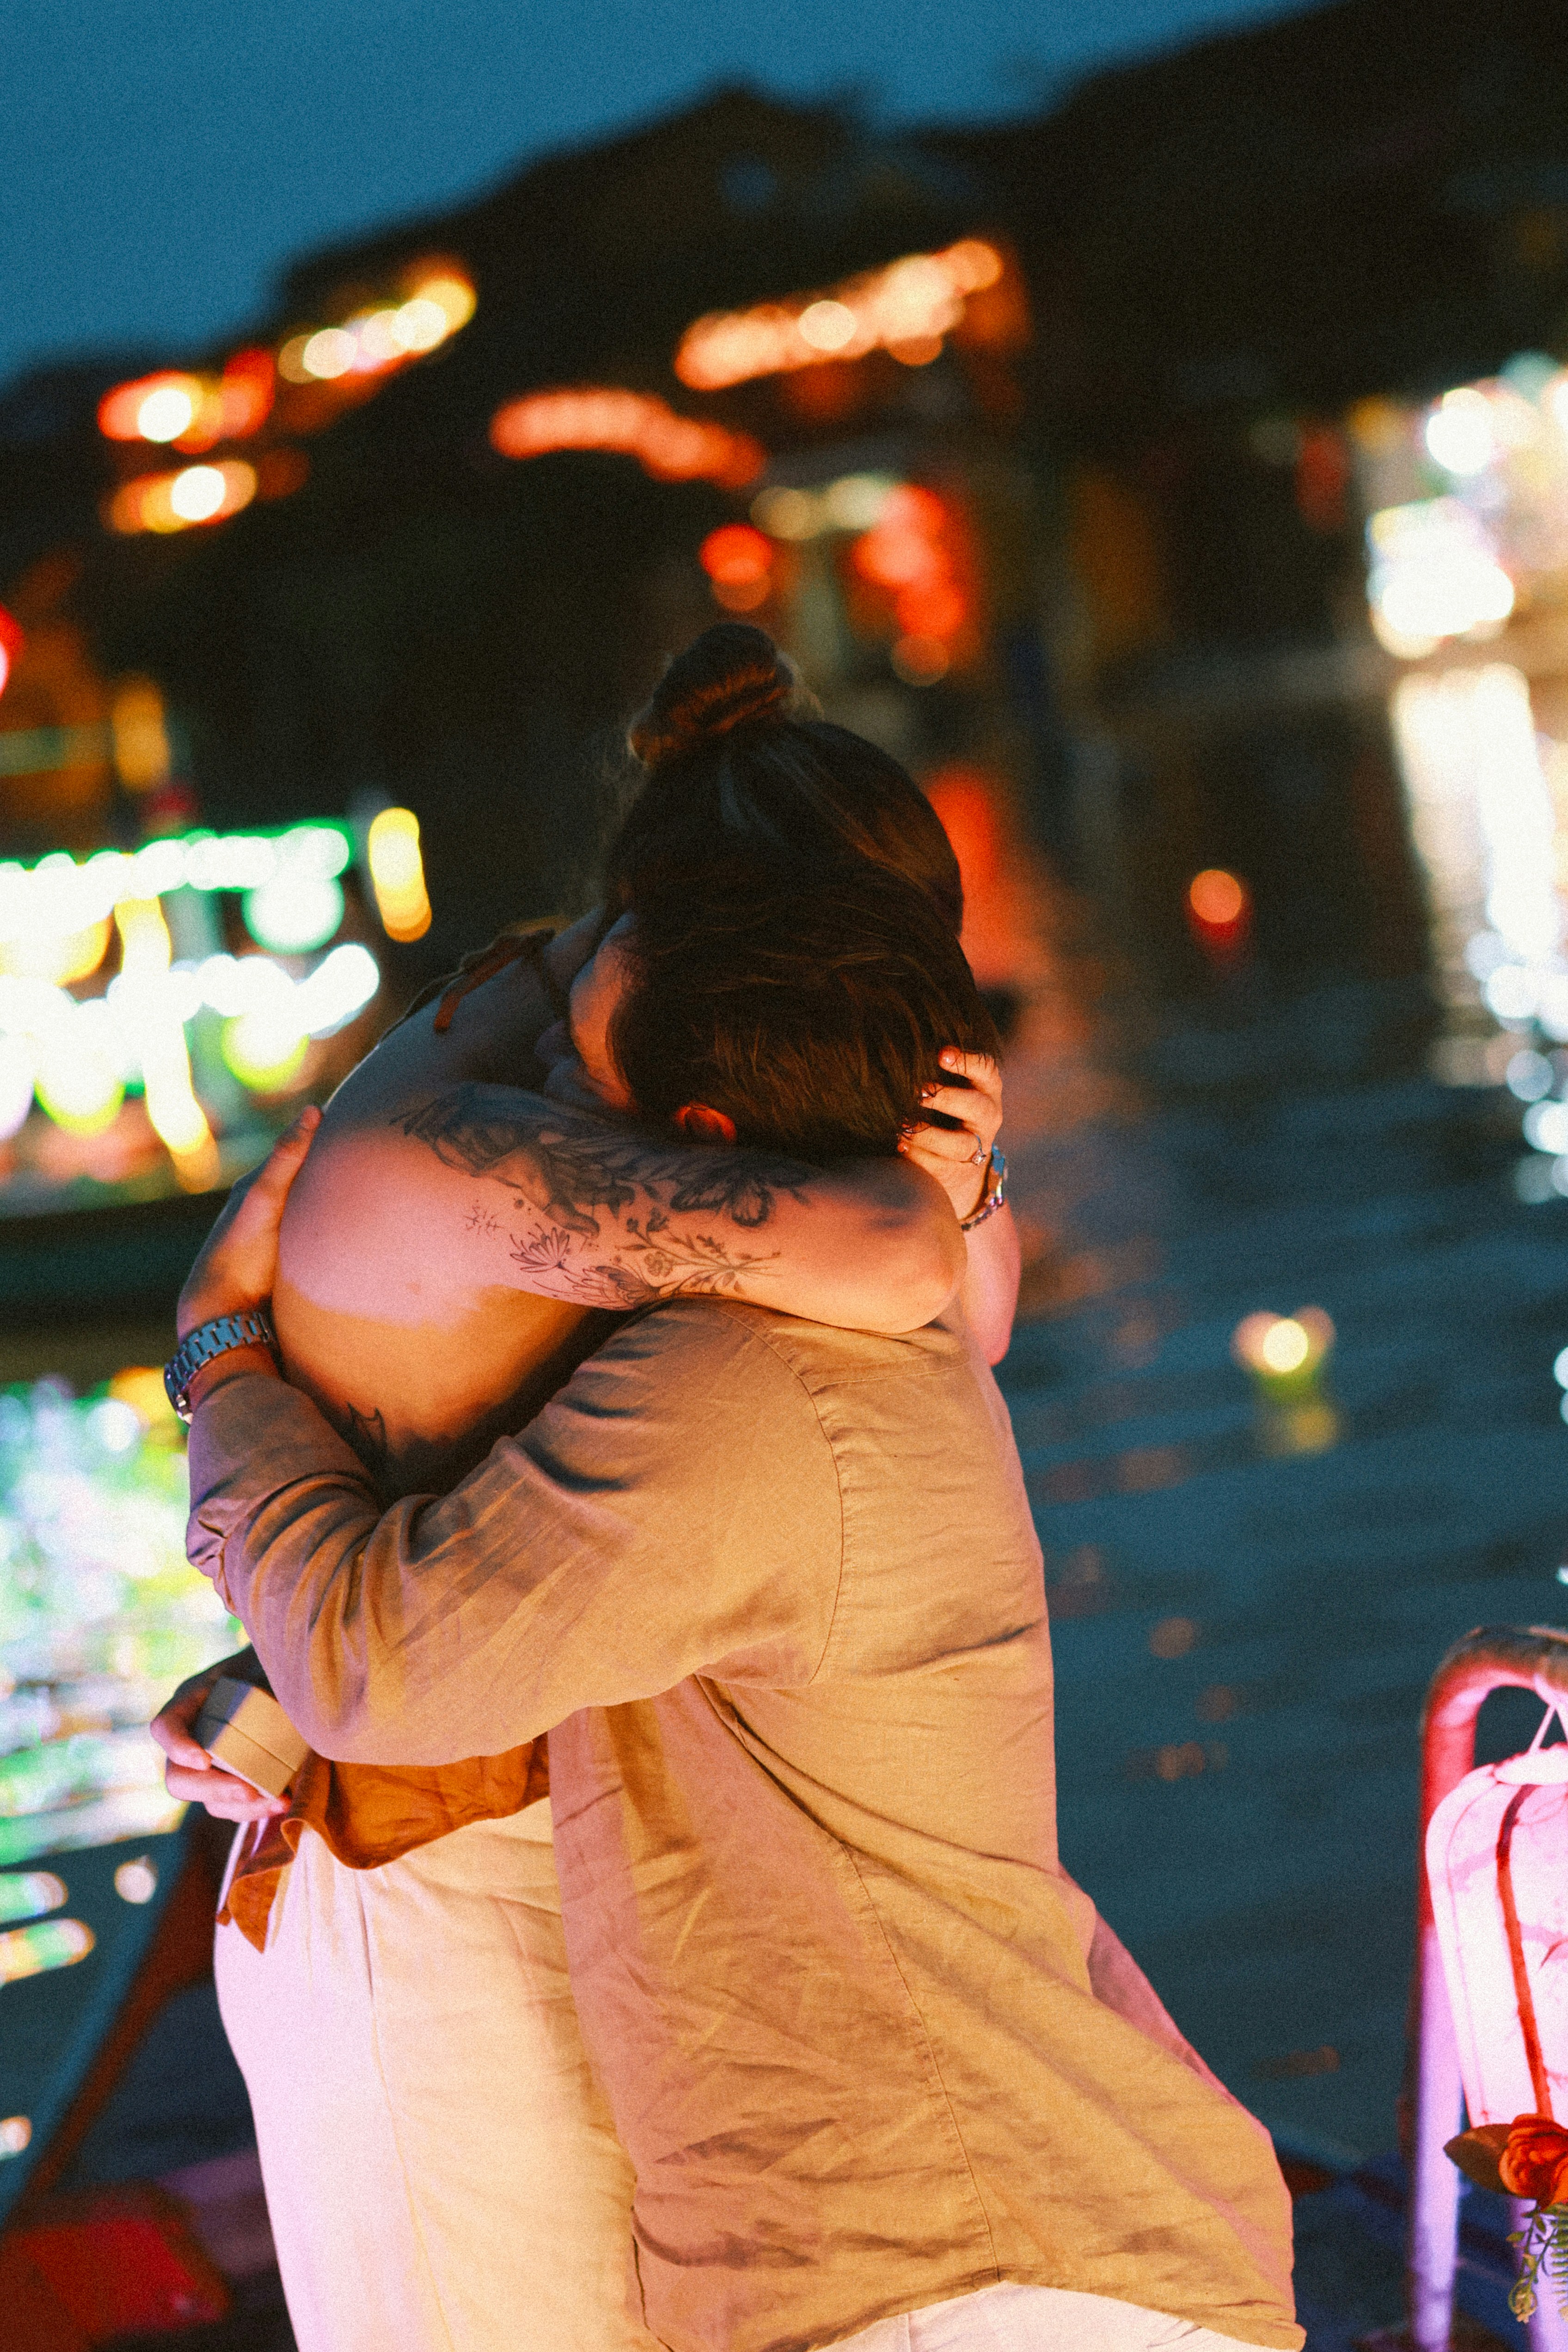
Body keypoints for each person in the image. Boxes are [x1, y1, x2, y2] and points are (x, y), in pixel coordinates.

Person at [169, 853, 1301, 2352]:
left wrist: (223, 1368)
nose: (541, 1114)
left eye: (572, 1077)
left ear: (692, 1152)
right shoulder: (811, 1355)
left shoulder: (741, 1393)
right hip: (962, 2260)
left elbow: (379, 1664)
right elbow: (498, 1623)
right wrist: (275, 1664)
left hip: (978, 2280)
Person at [155, 632, 1018, 2352]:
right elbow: (906, 1263)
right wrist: (213, 1363)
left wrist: (960, 1151)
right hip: (430, 1871)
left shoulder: (634, 1039)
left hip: (606, 1840)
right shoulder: (494, 1125)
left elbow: (946, 1349)